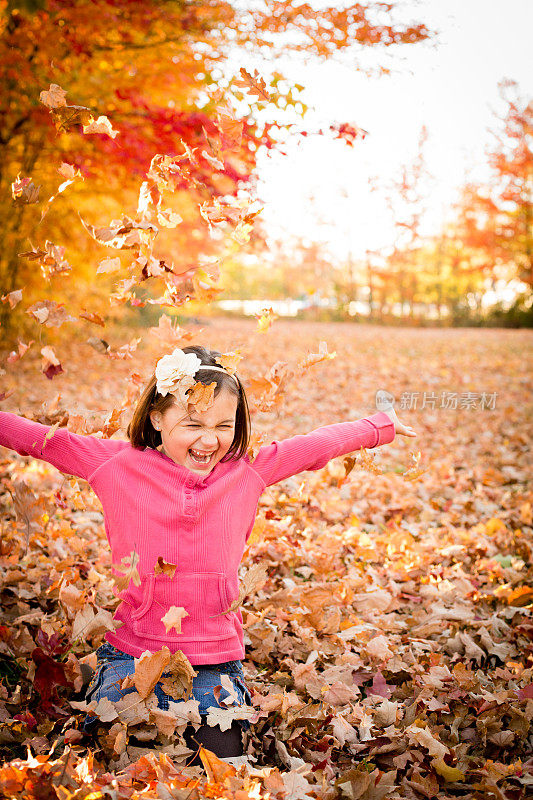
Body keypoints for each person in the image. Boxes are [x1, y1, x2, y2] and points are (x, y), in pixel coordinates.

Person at [0, 344, 416, 762]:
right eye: (193, 422)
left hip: (213, 658)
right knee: (117, 755)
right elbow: (42, 442)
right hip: (134, 649)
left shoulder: (247, 469)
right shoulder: (115, 464)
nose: (209, 439)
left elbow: (314, 446)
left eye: (223, 424)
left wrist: (379, 426)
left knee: (221, 760)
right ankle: (99, 675)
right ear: (157, 418)